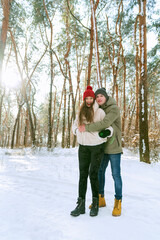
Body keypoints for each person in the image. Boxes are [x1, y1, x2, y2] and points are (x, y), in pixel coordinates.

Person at [79, 87, 123, 216]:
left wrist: (85, 128)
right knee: (99, 172)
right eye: (97, 96)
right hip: (102, 147)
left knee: (116, 175)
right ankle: (101, 198)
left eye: (101, 96)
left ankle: (118, 201)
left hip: (114, 148)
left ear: (106, 97)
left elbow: (104, 123)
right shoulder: (98, 109)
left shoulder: (113, 108)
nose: (98, 98)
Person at [70, 86, 113, 217]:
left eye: (91, 98)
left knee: (93, 174)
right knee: (82, 175)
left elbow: (109, 128)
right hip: (83, 147)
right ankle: (81, 204)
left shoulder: (99, 112)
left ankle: (95, 204)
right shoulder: (80, 112)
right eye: (86, 98)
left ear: (93, 99)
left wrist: (103, 135)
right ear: (84, 100)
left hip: (96, 147)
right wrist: (77, 131)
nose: (89, 101)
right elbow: (74, 126)